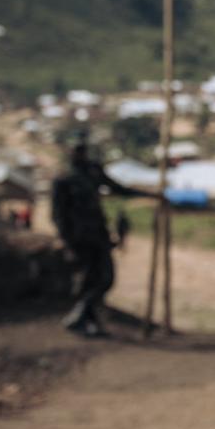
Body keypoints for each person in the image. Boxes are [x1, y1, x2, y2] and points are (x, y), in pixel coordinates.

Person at [50, 140, 150, 336]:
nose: (81, 154)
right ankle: (83, 319)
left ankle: (84, 317)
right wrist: (68, 241)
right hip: (80, 239)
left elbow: (117, 188)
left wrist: (149, 194)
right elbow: (58, 215)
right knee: (90, 279)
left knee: (105, 278)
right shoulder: (63, 180)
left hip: (98, 235)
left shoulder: (92, 173)